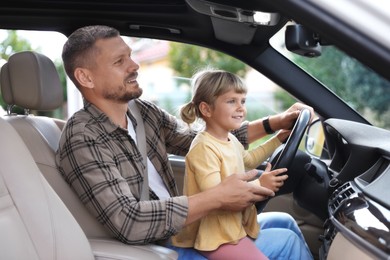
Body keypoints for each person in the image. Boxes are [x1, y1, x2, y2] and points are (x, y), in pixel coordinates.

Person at [56, 25, 314, 259]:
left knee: (285, 222)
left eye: (130, 56)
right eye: (119, 61)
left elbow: (206, 140)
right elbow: (129, 221)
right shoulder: (83, 137)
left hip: (180, 231)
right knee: (287, 241)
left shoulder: (141, 112)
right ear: (86, 78)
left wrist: (274, 124)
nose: (134, 66)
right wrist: (217, 197)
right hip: (149, 249)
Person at [171, 69, 290, 259]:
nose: (241, 108)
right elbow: (217, 195)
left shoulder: (230, 139)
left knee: (288, 226)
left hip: (230, 226)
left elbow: (249, 160)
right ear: (206, 109)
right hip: (213, 235)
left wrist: (278, 139)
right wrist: (260, 185)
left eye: (243, 101)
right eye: (231, 101)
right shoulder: (203, 148)